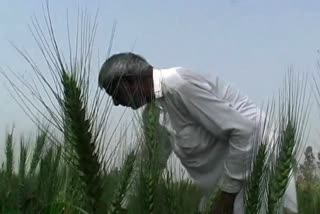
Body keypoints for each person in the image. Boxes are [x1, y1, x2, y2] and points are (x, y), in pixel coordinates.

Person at [98, 52, 298, 214]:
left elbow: (246, 131)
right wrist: (122, 205)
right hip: (224, 189)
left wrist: (226, 196)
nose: (116, 103)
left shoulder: (179, 85)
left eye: (114, 93)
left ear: (131, 81)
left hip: (255, 173)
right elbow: (150, 161)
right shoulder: (152, 113)